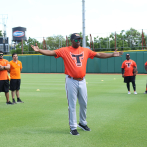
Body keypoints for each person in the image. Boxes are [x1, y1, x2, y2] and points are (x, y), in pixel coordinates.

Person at [31, 33, 123, 135]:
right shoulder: (64, 50)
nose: (78, 41)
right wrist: (39, 50)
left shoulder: (85, 50)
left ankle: (82, 123)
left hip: (82, 80)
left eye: (79, 39)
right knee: (72, 105)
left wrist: (112, 55)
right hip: (71, 80)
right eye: (76, 40)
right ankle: (73, 127)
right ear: (71, 41)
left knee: (84, 103)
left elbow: (98, 54)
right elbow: (51, 52)